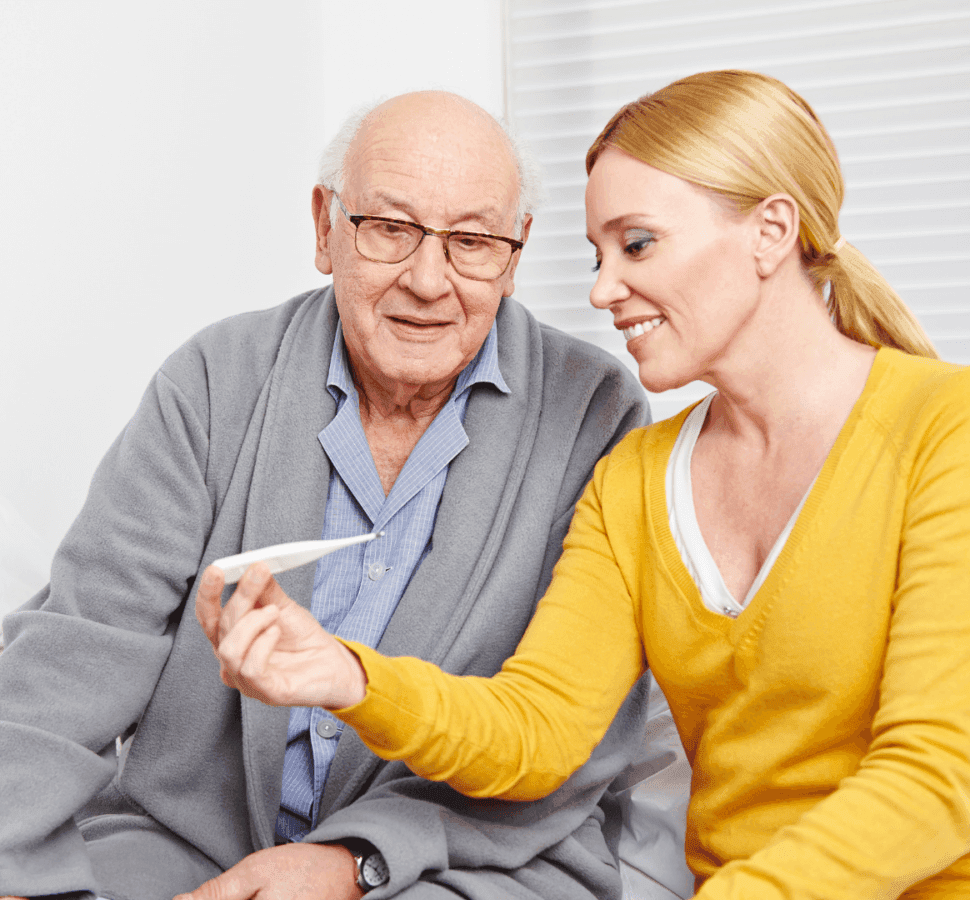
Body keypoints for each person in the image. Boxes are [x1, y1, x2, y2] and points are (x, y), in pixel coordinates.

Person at [203, 71, 970, 899]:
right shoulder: (636, 479)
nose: (602, 291)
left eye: (637, 244)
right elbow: (538, 732)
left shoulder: (945, 431)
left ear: (771, 231)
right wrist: (349, 676)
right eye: (598, 255)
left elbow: (937, 775)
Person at [0, 92, 672, 900]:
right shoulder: (214, 379)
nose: (427, 280)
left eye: (472, 241)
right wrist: (1, 873)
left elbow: (572, 737)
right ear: (324, 229)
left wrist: (357, 863)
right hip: (191, 841)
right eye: (390, 228)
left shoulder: (593, 411)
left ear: (513, 259)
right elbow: (77, 644)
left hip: (462, 857)